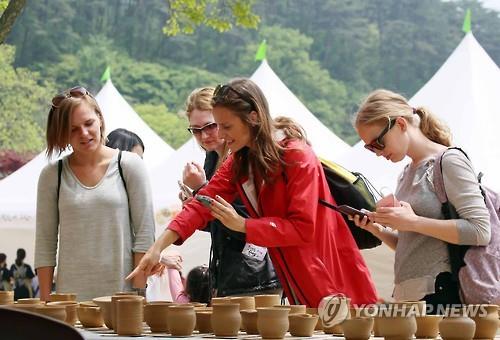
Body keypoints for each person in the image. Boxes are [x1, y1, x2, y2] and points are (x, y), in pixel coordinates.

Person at [127, 79, 378, 307]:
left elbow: (303, 228)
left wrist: (244, 225)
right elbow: (201, 204)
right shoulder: (239, 161)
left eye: (225, 126)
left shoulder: (297, 155)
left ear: (254, 117)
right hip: (295, 280)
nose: (221, 136)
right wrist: (157, 247)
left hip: (332, 276)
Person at [352, 89, 490, 311]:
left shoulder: (449, 161)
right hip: (411, 295)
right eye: (369, 148)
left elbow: (481, 231)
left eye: (378, 143)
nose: (377, 152)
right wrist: (377, 229)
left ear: (400, 124)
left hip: (441, 293)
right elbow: (414, 245)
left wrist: (412, 222)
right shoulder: (406, 173)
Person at [35, 86, 155, 301]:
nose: (84, 133)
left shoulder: (129, 165)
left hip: (123, 297)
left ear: (99, 118)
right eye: (72, 129)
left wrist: (138, 293)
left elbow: (145, 235)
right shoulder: (53, 174)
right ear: (62, 133)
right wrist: (45, 302)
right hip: (70, 300)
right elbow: (45, 242)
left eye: (88, 123)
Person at [180, 87, 280, 297]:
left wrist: (200, 190)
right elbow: (222, 225)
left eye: (210, 126)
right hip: (229, 273)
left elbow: (245, 219)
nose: (204, 136)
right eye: (196, 130)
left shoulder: (244, 156)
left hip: (257, 275)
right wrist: (195, 208)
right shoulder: (212, 158)